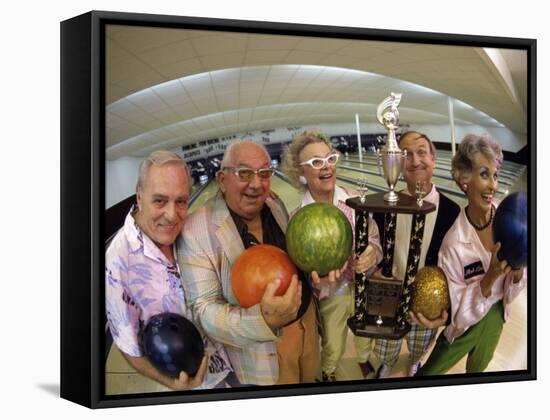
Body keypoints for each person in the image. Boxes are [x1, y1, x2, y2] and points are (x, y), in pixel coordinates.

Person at [178, 140, 322, 385]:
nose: (256, 184)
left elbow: (291, 262)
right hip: (265, 352)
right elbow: (204, 311)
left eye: (264, 173)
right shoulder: (195, 230)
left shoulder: (275, 205)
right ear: (222, 180)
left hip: (307, 328)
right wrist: (263, 321)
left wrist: (317, 269)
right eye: (244, 173)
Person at [105, 150, 233, 391]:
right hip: (197, 382)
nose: (172, 215)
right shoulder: (118, 262)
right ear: (139, 196)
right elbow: (128, 345)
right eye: (159, 201)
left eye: (182, 201)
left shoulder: (192, 230)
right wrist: (174, 384)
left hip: (234, 354)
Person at [417, 134, 526, 375]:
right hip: (464, 328)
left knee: (478, 370)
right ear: (464, 180)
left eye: (495, 175)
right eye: (484, 174)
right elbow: (457, 315)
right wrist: (490, 276)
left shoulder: (508, 217)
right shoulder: (453, 243)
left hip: (497, 314)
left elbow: (515, 288)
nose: (493, 186)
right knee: (429, 373)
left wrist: (518, 272)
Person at [281, 129, 383, 382]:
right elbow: (298, 269)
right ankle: (328, 370)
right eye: (316, 162)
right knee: (333, 343)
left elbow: (374, 240)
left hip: (362, 286)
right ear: (301, 174)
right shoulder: (297, 219)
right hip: (330, 296)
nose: (326, 167)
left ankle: (363, 360)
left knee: (365, 334)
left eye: (330, 158)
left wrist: (373, 254)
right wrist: (315, 281)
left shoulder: (353, 200)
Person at [372, 131, 461, 378]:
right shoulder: (383, 206)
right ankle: (387, 364)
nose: (414, 160)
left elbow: (457, 267)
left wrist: (450, 308)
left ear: (433, 160)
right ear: (398, 164)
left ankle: (414, 361)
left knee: (419, 345)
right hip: (390, 297)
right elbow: (376, 249)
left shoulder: (452, 212)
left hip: (428, 300)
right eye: (406, 154)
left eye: (421, 152)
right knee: (386, 346)